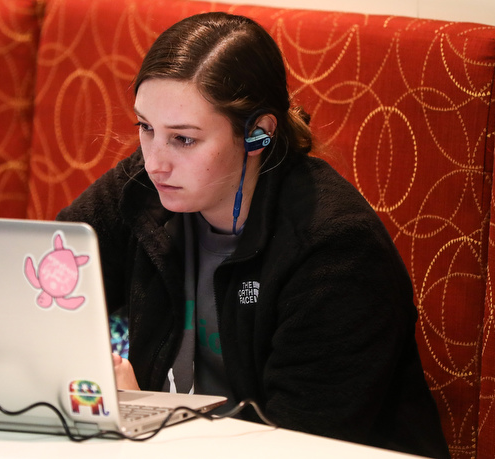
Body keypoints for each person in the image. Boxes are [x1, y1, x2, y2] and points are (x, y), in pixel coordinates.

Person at [57, 12, 450, 458]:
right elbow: (44, 287)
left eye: (184, 139)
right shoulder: (146, 189)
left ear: (258, 135)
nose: (155, 162)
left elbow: (302, 445)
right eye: (145, 128)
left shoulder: (336, 252)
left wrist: (143, 413)